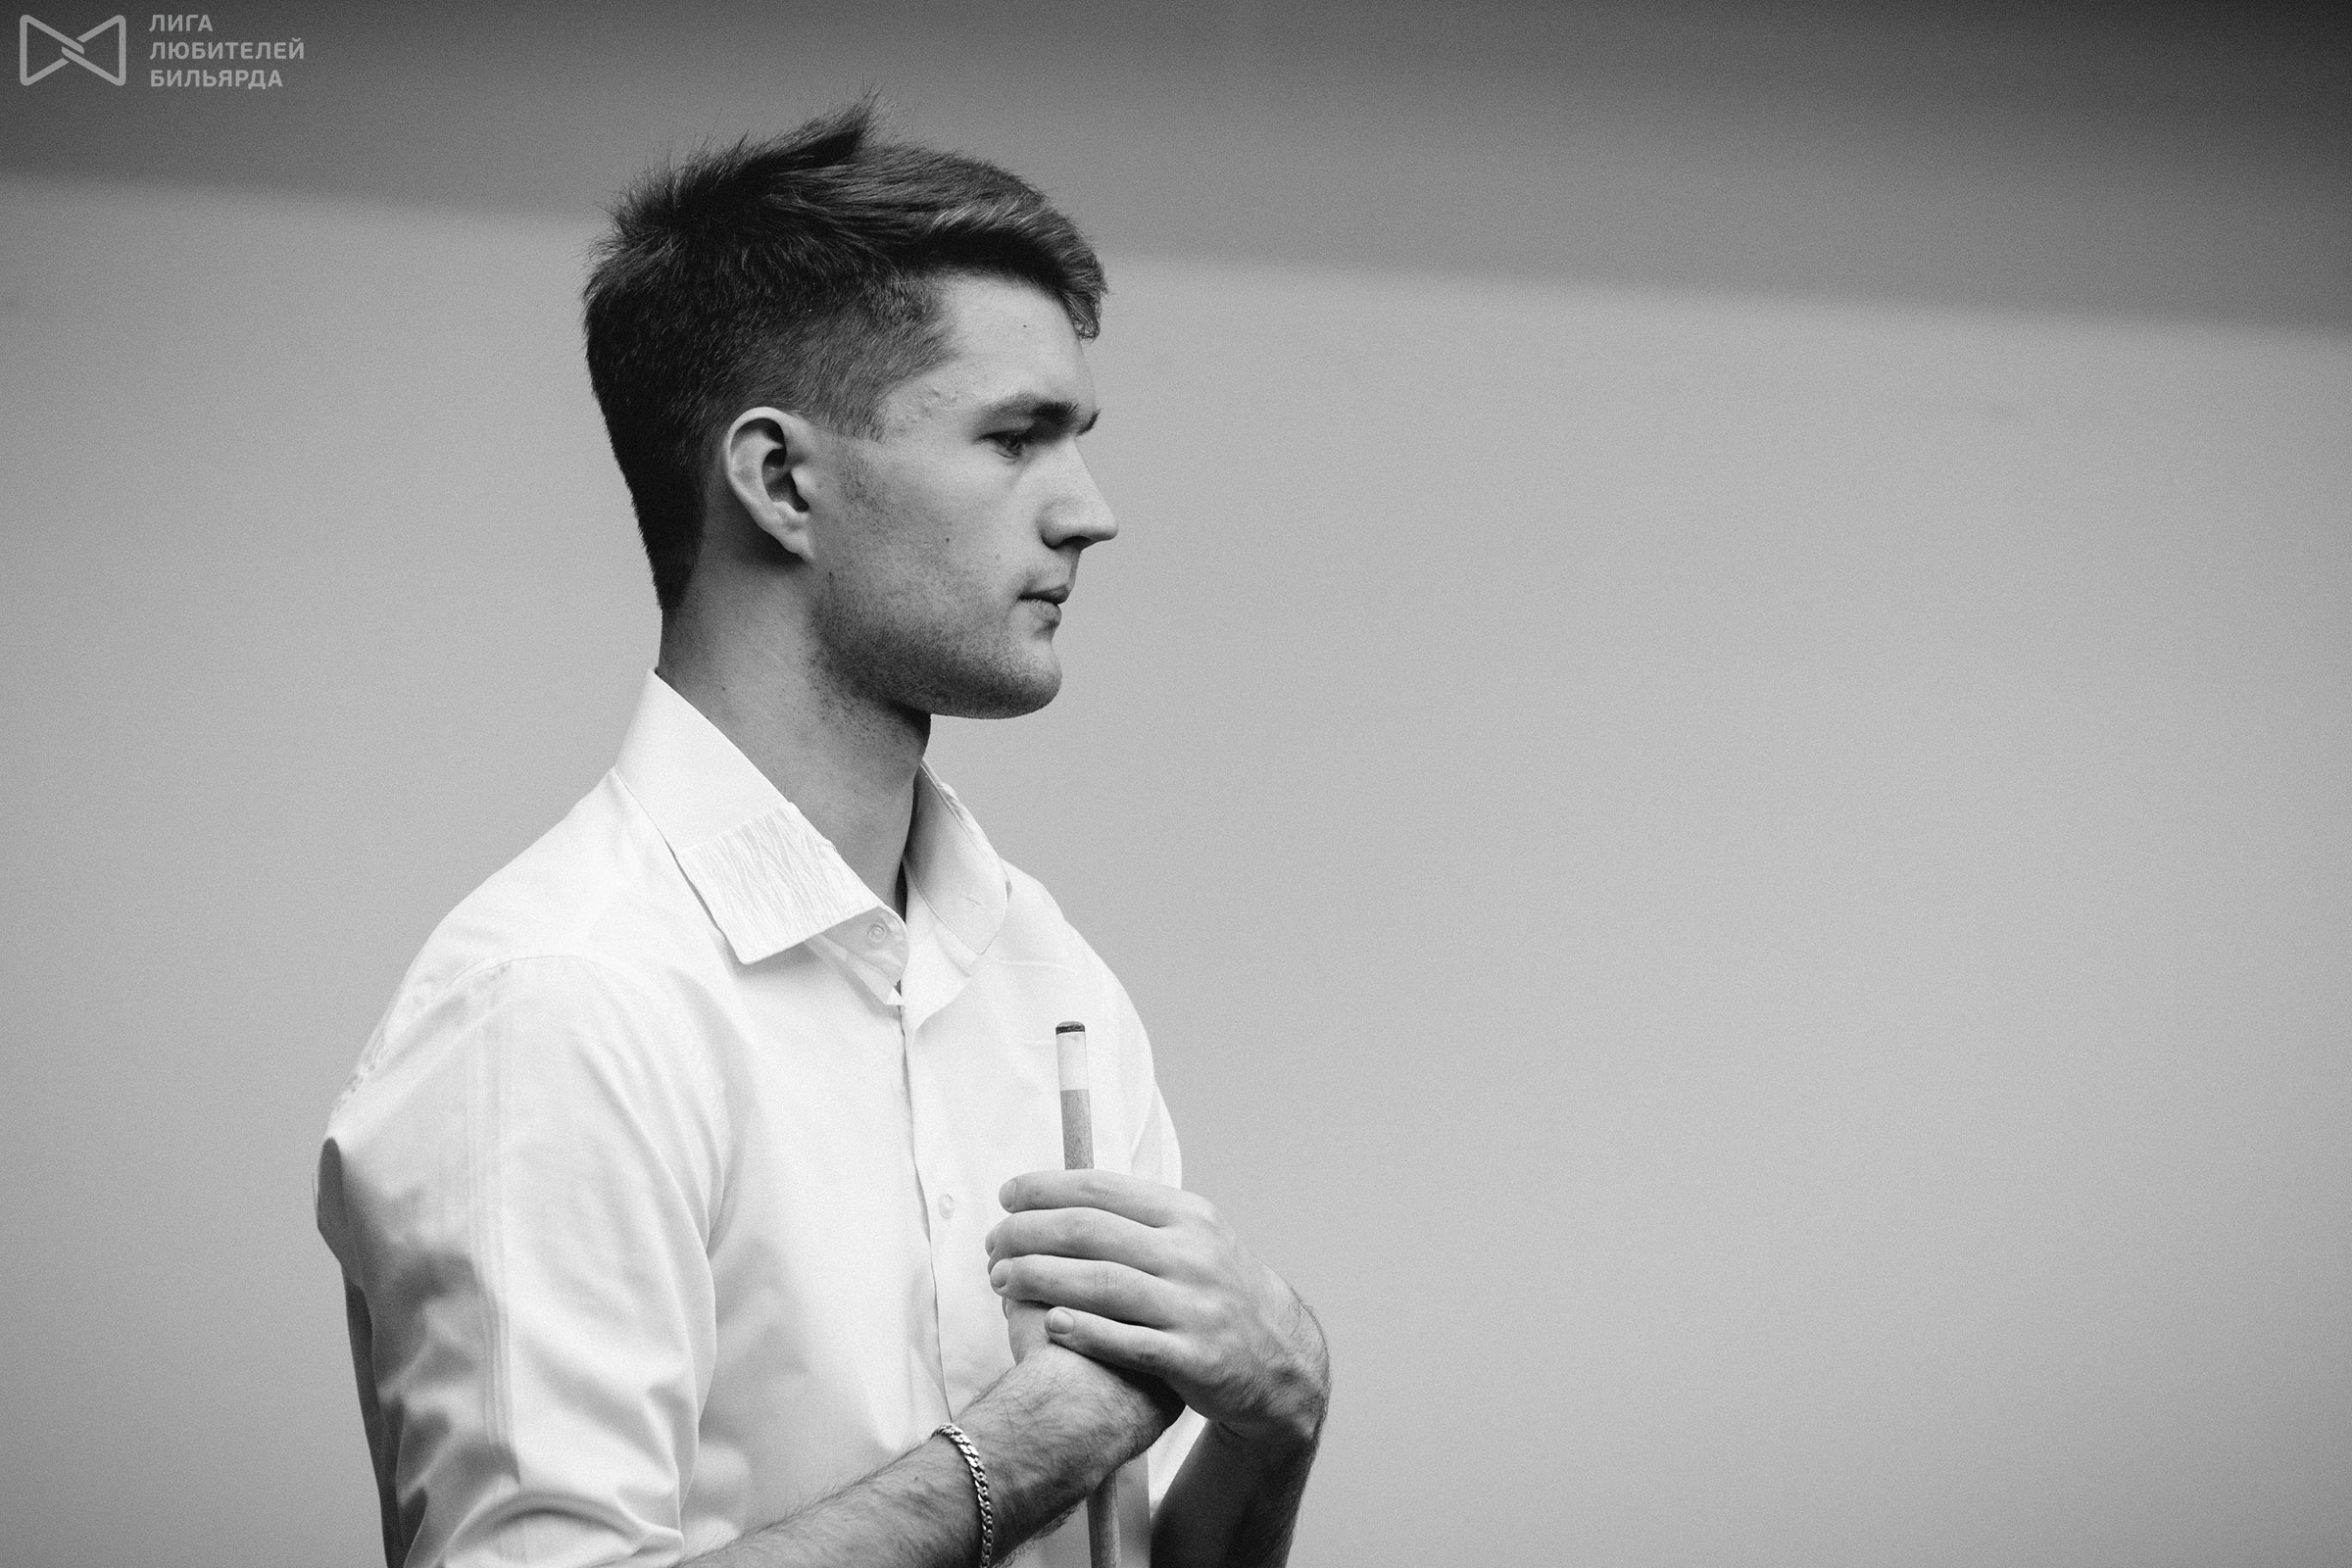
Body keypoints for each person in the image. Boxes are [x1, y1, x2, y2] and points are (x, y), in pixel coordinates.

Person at [314, 101, 1330, 1568]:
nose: (1090, 514)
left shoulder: (1046, 976)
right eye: (1015, 438)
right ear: (782, 482)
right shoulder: (554, 1005)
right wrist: (1019, 1453)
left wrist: (1272, 1421)